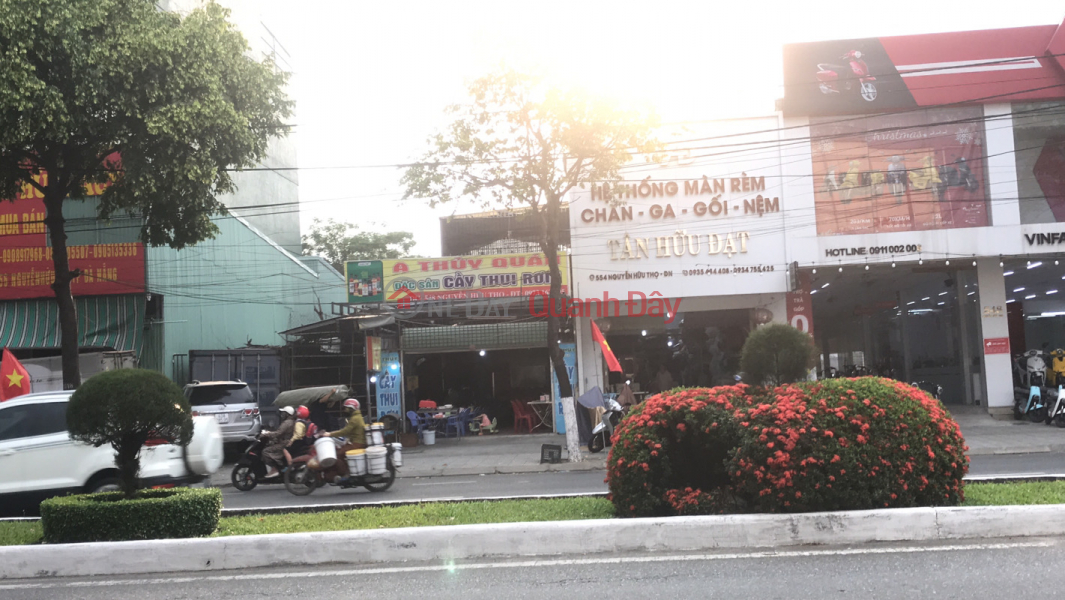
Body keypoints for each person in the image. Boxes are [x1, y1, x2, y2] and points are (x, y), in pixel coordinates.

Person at [321, 398, 367, 479]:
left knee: (338, 454)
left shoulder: (355, 419)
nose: (345, 410)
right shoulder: (356, 417)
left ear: (351, 408)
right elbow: (348, 431)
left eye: (346, 408)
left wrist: (330, 434)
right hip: (355, 442)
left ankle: (346, 474)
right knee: (341, 450)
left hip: (357, 443)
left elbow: (345, 431)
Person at [261, 406, 296, 478]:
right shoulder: (291, 422)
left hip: (284, 444)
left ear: (287, 414)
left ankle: (276, 468)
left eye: (283, 413)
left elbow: (278, 433)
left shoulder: (287, 423)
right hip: (284, 442)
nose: (282, 414)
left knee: (265, 451)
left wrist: (267, 434)